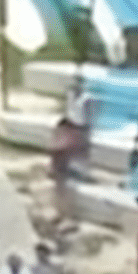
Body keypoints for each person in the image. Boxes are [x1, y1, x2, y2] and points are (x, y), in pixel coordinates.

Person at [52, 81, 94, 223]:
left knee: (66, 179)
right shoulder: (85, 100)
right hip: (72, 133)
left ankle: (65, 214)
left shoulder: (85, 100)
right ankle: (63, 213)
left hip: (72, 133)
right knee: (64, 178)